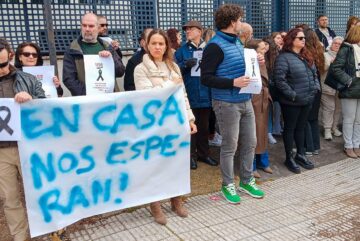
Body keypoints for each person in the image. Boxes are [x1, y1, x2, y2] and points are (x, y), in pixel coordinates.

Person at [201, 4, 265, 204]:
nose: (241, 23)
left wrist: (256, 60)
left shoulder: (237, 41)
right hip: (226, 103)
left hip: (244, 100)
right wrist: (232, 83)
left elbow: (239, 65)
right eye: (239, 20)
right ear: (231, 22)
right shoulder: (214, 46)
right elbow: (205, 78)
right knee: (230, 146)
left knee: (250, 142)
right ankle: (227, 184)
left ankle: (246, 180)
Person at [134, 28, 197, 225]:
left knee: (176, 162)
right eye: (154, 43)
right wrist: (170, 83)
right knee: (155, 164)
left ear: (166, 46)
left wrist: (190, 119)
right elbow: (148, 97)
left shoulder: (174, 66)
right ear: (147, 45)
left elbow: (183, 96)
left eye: (161, 43)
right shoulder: (140, 69)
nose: (158, 47)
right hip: (154, 124)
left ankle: (176, 200)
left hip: (175, 122)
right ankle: (155, 204)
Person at [0, 38, 45, 241]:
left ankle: (47, 229)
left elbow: (46, 107)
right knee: (10, 198)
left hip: (28, 147)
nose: (0, 69)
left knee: (39, 191)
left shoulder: (27, 79)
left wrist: (31, 100)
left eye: (2, 64)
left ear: (10, 57)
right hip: (2, 152)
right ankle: (20, 236)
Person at [273, 28, 320, 174]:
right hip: (291, 102)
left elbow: (314, 75)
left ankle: (300, 154)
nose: (303, 40)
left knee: (301, 128)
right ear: (292, 40)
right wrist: (293, 95)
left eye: (304, 38)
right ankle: (289, 158)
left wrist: (314, 90)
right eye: (300, 38)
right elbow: (279, 81)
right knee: (290, 129)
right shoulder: (283, 57)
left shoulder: (306, 55)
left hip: (307, 99)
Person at [175, 20, 217, 170]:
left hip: (206, 93)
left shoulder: (209, 49)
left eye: (191, 29)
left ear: (199, 31)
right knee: (190, 127)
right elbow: (174, 70)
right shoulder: (182, 50)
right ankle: (191, 156)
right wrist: (185, 65)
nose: (187, 32)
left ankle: (204, 154)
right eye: (186, 30)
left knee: (204, 127)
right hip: (190, 93)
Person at [63, 12, 125, 96]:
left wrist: (111, 59)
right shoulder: (72, 49)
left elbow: (120, 72)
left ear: (97, 27)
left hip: (110, 100)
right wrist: (89, 94)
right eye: (84, 25)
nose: (87, 29)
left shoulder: (107, 46)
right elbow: (69, 79)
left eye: (91, 26)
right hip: (86, 102)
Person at [331, 25, 360, 158]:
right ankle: (348, 145)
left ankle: (356, 145)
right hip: (350, 89)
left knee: (359, 120)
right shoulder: (346, 49)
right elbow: (336, 68)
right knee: (349, 119)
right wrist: (349, 81)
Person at [246, 39, 273, 178]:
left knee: (263, 131)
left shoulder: (262, 60)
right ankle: (252, 165)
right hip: (254, 98)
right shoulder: (249, 61)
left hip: (263, 97)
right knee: (253, 132)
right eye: (262, 48)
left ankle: (263, 161)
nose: (265, 50)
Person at [303, 28, 325, 156]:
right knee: (314, 118)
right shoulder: (319, 51)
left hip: (309, 88)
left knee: (305, 118)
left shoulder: (306, 53)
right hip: (318, 88)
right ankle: (316, 146)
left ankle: (308, 147)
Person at [321, 36, 344, 141]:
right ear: (331, 44)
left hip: (340, 87)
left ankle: (334, 127)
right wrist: (330, 63)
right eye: (335, 43)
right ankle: (327, 129)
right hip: (327, 87)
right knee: (329, 108)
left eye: (340, 44)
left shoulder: (344, 56)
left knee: (338, 108)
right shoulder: (324, 55)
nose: (337, 45)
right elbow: (321, 69)